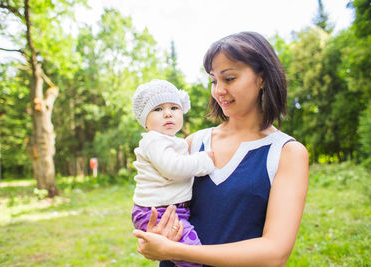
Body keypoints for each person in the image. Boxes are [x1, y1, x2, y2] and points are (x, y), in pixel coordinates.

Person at [132, 31, 309, 267]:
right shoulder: (194, 143)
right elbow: (159, 202)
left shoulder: (287, 153)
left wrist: (179, 251)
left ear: (262, 78)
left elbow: (275, 253)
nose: (219, 91)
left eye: (230, 78)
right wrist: (155, 234)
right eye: (214, 80)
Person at [131, 79, 216, 267]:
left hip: (170, 209)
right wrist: (205, 160)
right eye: (158, 109)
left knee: (185, 254)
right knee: (191, 255)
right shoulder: (154, 141)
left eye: (174, 108)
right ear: (145, 121)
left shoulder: (170, 141)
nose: (168, 113)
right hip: (157, 211)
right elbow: (173, 168)